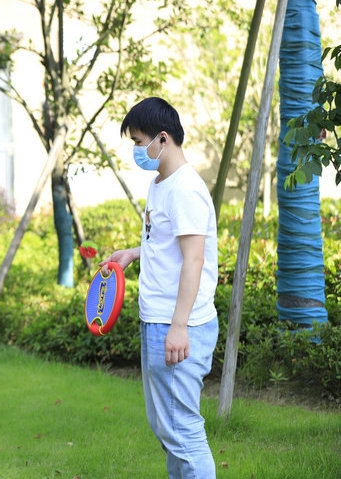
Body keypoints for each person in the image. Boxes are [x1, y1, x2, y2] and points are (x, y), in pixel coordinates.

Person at [100, 97, 219, 478]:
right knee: (168, 428)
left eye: (139, 142)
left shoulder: (185, 189)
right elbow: (169, 243)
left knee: (182, 431)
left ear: (162, 139)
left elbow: (194, 259)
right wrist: (133, 254)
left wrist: (179, 326)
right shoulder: (162, 184)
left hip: (178, 326)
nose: (137, 151)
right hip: (160, 323)